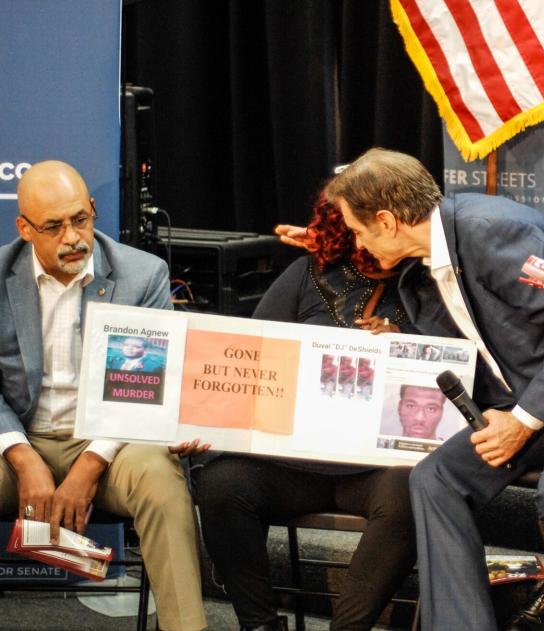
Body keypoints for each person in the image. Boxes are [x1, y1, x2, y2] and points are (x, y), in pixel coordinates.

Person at [324, 148, 544, 631]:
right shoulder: (422, 266)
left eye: (358, 231)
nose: (358, 244)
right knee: (433, 479)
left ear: (385, 220)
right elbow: (486, 336)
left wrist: (522, 420)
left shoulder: (491, 229)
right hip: (535, 395)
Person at [196, 186, 417, 631]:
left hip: (379, 467)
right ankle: (260, 625)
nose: (361, 243)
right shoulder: (307, 274)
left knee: (414, 491)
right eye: (349, 231)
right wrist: (207, 420)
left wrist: (404, 341)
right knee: (221, 484)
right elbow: (251, 358)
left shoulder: (427, 280)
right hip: (295, 460)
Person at [0, 161, 208, 631]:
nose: (73, 237)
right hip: (19, 438)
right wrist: (23, 458)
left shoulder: (142, 275)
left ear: (93, 210)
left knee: (161, 480)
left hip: (111, 441)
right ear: (25, 228)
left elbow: (143, 389)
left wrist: (89, 468)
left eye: (81, 219)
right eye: (54, 227)